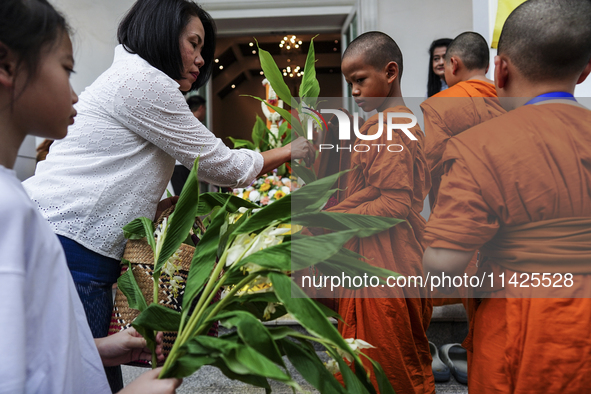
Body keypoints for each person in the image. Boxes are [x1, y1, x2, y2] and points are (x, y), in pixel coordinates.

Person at [22, 0, 314, 389]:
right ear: (161, 31)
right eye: (193, 44)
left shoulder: (128, 75)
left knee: (87, 369)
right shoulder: (145, 82)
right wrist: (294, 149)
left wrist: (162, 206)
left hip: (67, 242)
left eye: (202, 50)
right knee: (81, 379)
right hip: (72, 248)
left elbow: (111, 175)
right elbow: (225, 167)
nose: (199, 60)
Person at [0, 0, 181, 392]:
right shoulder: (10, 211)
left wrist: (99, 349)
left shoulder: (18, 199)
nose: (76, 95)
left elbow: (32, 346)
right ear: (7, 66)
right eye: (66, 70)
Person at [423, 0, 591, 392]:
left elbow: (444, 263)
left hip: (523, 322)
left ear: (500, 68)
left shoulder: (480, 146)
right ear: (584, 71)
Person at [324, 31, 434, 393]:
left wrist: (333, 221)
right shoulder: (390, 125)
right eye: (349, 83)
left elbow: (394, 204)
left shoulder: (392, 129)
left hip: (385, 260)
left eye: (359, 80)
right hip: (380, 253)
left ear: (390, 72)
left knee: (383, 361)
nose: (354, 91)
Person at [420, 32, 505, 309]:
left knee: (472, 286)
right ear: (489, 66)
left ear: (453, 64)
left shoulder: (442, 104)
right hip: (509, 209)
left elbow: (428, 163)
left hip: (463, 211)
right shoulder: (509, 99)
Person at [171, 94, 206, 195]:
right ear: (201, 108)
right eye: (205, 108)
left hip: (178, 166)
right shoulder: (193, 123)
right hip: (182, 167)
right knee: (186, 202)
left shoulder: (180, 120)